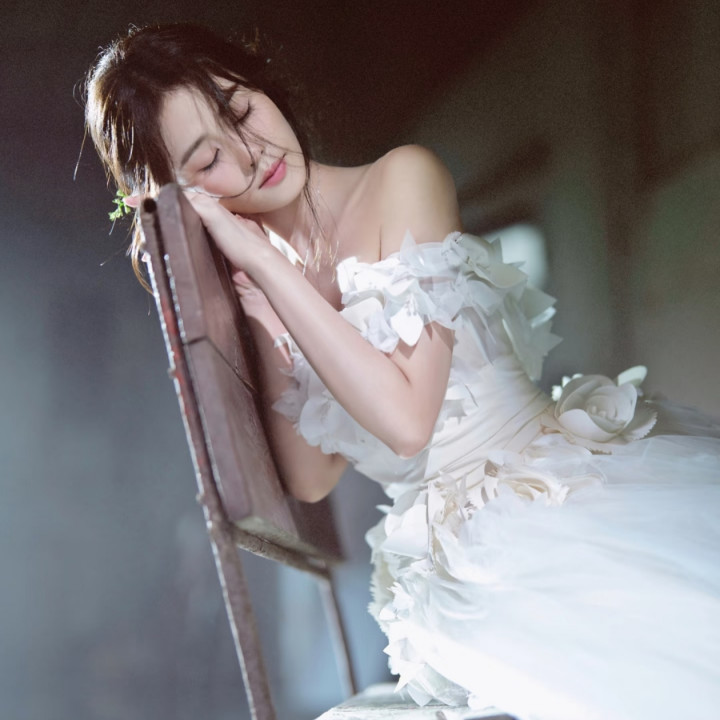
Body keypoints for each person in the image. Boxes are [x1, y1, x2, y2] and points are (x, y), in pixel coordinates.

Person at [85, 23, 720, 720]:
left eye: (242, 109)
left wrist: (262, 260)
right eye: (209, 160)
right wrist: (267, 310)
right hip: (455, 575)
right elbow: (311, 476)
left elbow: (409, 421)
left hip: (551, 505)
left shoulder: (402, 179)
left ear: (264, 86)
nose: (249, 152)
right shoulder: (267, 284)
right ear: (188, 198)